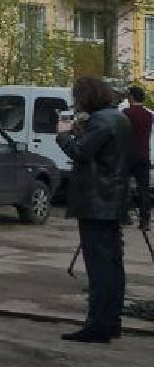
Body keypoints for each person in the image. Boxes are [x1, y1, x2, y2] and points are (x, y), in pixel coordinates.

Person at [57, 74, 133, 343]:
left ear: (86, 97)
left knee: (99, 268)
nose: (76, 103)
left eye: (77, 97)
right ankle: (112, 321)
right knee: (113, 265)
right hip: (113, 201)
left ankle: (97, 325)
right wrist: (80, 132)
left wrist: (63, 135)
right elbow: (102, 154)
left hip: (96, 202)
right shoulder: (118, 119)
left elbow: (80, 153)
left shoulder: (100, 121)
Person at [125, 86, 153, 231]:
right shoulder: (149, 115)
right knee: (143, 189)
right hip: (144, 155)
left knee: (123, 186)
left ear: (131, 97)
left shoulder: (126, 113)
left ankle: (125, 215)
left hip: (128, 155)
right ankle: (145, 220)